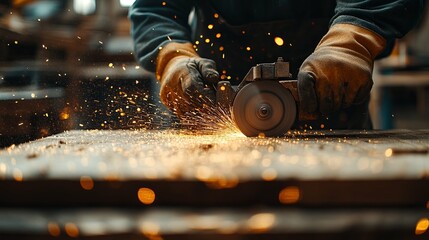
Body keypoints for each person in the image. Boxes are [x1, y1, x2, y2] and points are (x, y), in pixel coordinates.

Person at [129, 0, 424, 130]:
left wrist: (350, 42)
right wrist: (173, 57)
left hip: (334, 110)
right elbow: (156, 8)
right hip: (211, 108)